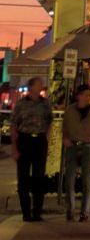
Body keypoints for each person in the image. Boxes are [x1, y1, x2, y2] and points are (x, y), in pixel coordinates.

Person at [10, 76, 53, 222]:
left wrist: (45, 138)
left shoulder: (45, 104)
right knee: (23, 178)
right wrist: (14, 147)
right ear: (32, 87)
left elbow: (49, 121)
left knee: (38, 177)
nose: (42, 87)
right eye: (39, 84)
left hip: (39, 140)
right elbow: (14, 125)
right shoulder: (22, 104)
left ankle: (37, 212)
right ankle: (26, 212)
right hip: (24, 140)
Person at [62, 84, 90, 222]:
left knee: (87, 179)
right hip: (73, 146)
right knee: (69, 179)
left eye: (89, 95)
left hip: (88, 146)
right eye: (86, 95)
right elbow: (64, 128)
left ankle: (85, 212)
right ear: (78, 96)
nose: (88, 98)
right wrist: (65, 138)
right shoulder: (70, 110)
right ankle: (70, 210)